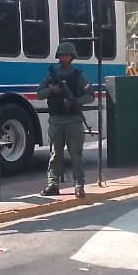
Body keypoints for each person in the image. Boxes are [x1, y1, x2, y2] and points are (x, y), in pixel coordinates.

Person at [38, 42, 95, 198]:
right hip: (56, 120)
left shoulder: (78, 75)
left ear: (72, 57)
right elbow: (39, 93)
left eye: (67, 55)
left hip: (74, 120)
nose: (64, 58)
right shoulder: (52, 76)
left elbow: (90, 95)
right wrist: (51, 89)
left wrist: (75, 101)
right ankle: (53, 184)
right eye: (61, 55)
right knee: (55, 155)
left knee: (76, 154)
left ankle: (79, 185)